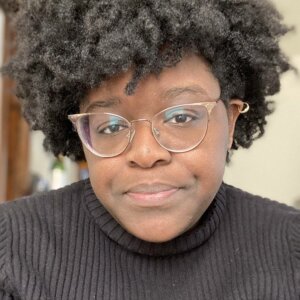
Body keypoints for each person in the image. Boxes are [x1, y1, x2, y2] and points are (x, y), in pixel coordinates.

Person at [0, 0, 299, 299]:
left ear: (231, 121)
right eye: (111, 126)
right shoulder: (11, 251)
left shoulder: (290, 252)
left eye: (181, 117)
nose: (146, 154)